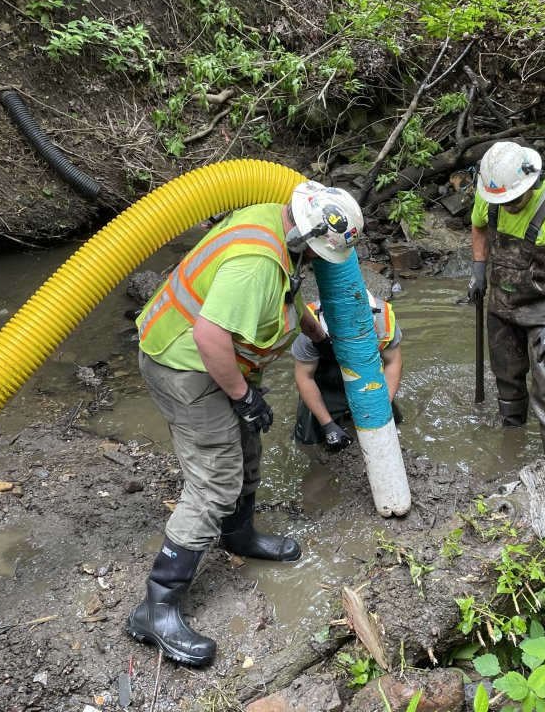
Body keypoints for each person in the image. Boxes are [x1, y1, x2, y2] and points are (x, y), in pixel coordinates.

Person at [126, 180, 363, 667]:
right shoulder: (256, 264)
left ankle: (240, 536)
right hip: (186, 363)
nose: (317, 262)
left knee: (246, 450)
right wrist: (244, 395)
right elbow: (211, 335)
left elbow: (286, 295)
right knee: (215, 479)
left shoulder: (275, 221)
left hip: (211, 361)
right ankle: (156, 607)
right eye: (317, 253)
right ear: (303, 235)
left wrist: (318, 338)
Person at [467, 140, 545, 452]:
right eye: (503, 201)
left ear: (532, 181)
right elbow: (478, 227)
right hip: (501, 304)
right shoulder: (491, 195)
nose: (508, 205)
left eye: (514, 199)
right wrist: (479, 269)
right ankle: (512, 439)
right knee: (505, 374)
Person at [291, 290, 403, 451]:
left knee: (393, 423)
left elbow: (394, 363)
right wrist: (328, 425)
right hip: (324, 384)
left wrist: (382, 405)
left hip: (368, 377)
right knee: (308, 440)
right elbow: (304, 378)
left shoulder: (383, 319)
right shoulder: (309, 325)